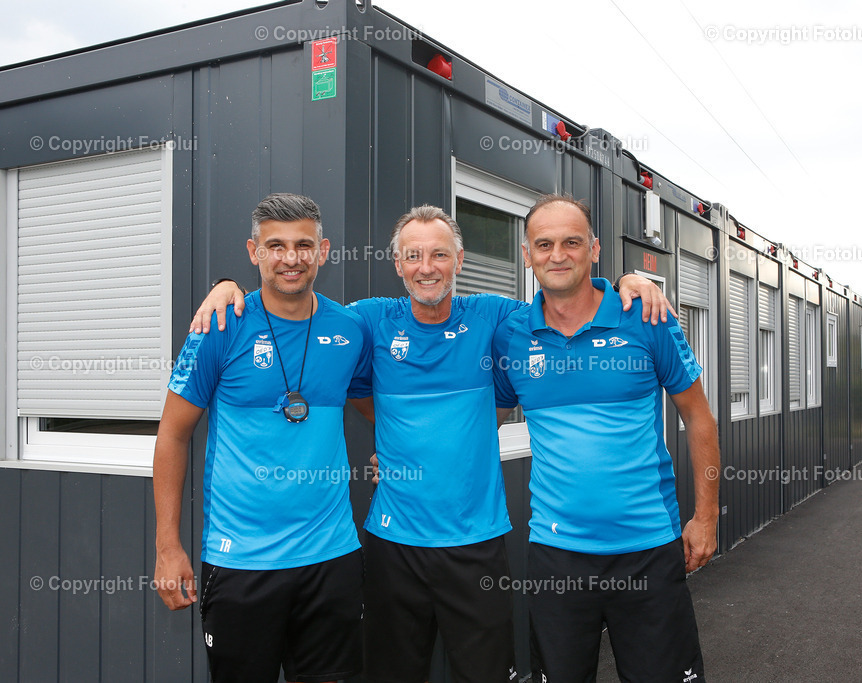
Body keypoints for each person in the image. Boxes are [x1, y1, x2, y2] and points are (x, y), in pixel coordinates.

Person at [191, 204, 673, 683]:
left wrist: (628, 281)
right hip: (392, 547)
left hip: (477, 543)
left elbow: (565, 295)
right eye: (414, 256)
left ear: (459, 261)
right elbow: (329, 353)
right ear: (397, 264)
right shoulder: (367, 322)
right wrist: (226, 286)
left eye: (439, 254)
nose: (427, 267)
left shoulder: (495, 318)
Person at [491, 194, 720, 683]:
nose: (558, 255)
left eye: (572, 242)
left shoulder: (646, 317)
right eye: (545, 244)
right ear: (527, 252)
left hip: (648, 550)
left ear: (594, 249)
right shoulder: (512, 334)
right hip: (556, 554)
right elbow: (480, 424)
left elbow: (699, 419)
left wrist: (706, 517)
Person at [153, 193, 372, 683]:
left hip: (331, 558)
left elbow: (373, 404)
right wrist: (168, 545)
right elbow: (172, 435)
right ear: (253, 252)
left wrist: (395, 451)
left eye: (302, 245)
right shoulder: (218, 327)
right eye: (275, 245)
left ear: (324, 251)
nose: (290, 258)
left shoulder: (350, 329)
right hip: (240, 562)